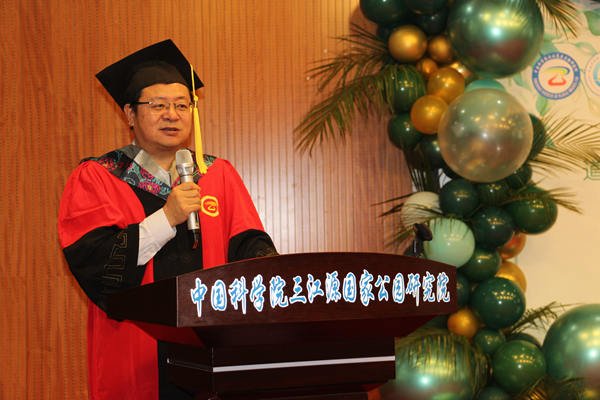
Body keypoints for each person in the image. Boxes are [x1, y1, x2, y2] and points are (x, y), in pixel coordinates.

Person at [58, 39, 277, 400]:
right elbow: (96, 266)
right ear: (130, 114)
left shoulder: (217, 174)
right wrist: (166, 218)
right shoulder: (98, 177)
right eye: (158, 105)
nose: (172, 115)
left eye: (181, 105)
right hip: (136, 353)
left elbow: (248, 245)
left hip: (212, 352)